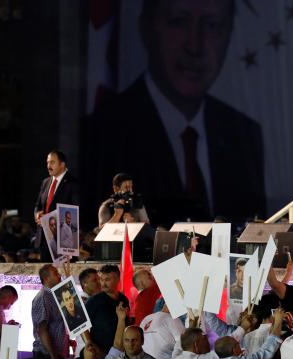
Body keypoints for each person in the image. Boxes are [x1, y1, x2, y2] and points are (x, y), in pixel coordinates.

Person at [84, 0, 264, 221]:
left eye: (212, 25)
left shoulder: (244, 134)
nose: (194, 46)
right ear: (147, 28)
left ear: (229, 35)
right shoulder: (107, 130)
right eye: (178, 22)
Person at [33, 150, 79, 260]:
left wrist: (50, 219)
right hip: (44, 240)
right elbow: (37, 205)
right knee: (46, 276)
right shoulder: (46, 182)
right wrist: (37, 215)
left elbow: (77, 212)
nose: (48, 166)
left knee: (64, 276)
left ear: (62, 164)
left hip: (63, 241)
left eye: (52, 162)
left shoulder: (73, 183)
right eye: (47, 163)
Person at [84, 264, 131, 352]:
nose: (103, 283)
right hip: (100, 352)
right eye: (102, 280)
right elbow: (82, 324)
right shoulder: (94, 300)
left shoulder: (123, 299)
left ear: (117, 279)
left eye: (107, 280)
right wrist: (90, 344)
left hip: (120, 351)